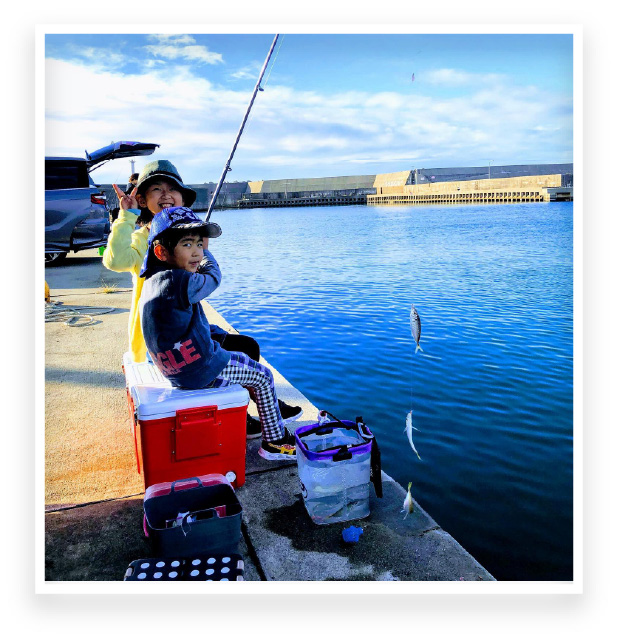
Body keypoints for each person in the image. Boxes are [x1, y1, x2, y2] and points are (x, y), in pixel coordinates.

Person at [102, 159, 301, 438]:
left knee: (247, 346)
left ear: (183, 198)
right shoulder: (142, 240)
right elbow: (114, 259)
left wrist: (194, 242)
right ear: (144, 201)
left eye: (173, 189)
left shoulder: (189, 235)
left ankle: (245, 410)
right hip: (163, 342)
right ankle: (255, 412)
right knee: (237, 356)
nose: (166, 194)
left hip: (186, 327)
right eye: (156, 189)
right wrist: (126, 216)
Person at [139, 206, 297, 461]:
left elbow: (180, 324)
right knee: (264, 377)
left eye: (200, 244)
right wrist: (207, 256)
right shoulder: (181, 281)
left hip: (177, 372)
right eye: (187, 244)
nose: (197, 251)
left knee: (239, 359)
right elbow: (213, 277)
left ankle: (254, 420)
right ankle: (275, 442)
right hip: (201, 367)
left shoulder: (153, 281)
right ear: (162, 251)